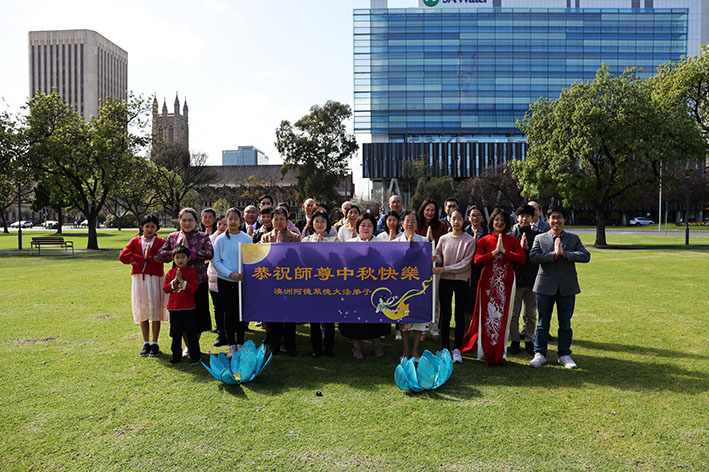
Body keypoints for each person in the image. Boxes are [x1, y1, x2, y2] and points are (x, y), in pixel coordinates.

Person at [461, 208, 526, 366]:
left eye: (503, 220)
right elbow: (477, 260)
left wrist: (505, 252)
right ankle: (485, 351)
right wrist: (493, 253)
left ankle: (500, 352)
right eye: (497, 220)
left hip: (506, 283)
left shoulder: (512, 240)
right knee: (488, 315)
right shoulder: (485, 240)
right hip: (488, 283)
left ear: (507, 223)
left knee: (503, 315)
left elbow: (522, 259)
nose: (499, 223)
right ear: (491, 221)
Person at [528, 207, 590, 369]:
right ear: (548, 220)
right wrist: (554, 255)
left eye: (560, 217)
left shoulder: (573, 238)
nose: (556, 221)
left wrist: (565, 254)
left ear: (565, 220)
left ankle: (564, 355)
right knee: (542, 322)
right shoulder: (540, 238)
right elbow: (533, 257)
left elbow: (585, 256)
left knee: (565, 323)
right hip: (544, 286)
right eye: (553, 218)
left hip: (567, 286)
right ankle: (540, 353)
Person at [158, 207, 214, 358]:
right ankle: (189, 347)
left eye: (190, 220)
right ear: (179, 221)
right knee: (182, 316)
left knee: (199, 315)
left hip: (198, 282)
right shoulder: (173, 237)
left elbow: (210, 253)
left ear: (196, 221)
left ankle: (194, 344)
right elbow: (161, 254)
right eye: (184, 220)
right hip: (178, 284)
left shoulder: (203, 237)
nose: (187, 223)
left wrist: (192, 254)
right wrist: (177, 254)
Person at [118, 214, 168, 357]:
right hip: (140, 279)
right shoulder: (135, 241)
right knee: (143, 308)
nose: (150, 229)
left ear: (156, 228)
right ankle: (146, 342)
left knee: (155, 309)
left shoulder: (160, 242)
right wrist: (142, 258)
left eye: (152, 226)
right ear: (142, 227)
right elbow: (123, 256)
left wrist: (151, 258)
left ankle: (155, 342)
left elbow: (165, 256)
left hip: (155, 279)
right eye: (147, 226)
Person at [340, 213, 390, 359]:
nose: (366, 228)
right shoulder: (350, 243)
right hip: (356, 287)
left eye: (369, 225)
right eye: (363, 225)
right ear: (357, 227)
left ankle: (377, 345)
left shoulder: (381, 243)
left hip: (375, 286)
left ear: (374, 227)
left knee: (377, 315)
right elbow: (345, 265)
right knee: (356, 316)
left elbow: (386, 264)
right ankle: (356, 347)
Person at [432, 207, 476, 364]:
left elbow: (465, 264)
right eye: (453, 218)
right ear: (448, 220)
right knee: (445, 314)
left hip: (461, 280)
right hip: (445, 280)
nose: (456, 221)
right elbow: (437, 256)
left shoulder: (470, 240)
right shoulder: (444, 239)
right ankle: (445, 348)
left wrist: (444, 268)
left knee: (459, 315)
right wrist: (431, 257)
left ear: (463, 221)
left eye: (459, 218)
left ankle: (457, 348)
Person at [261, 208, 301, 356]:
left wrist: (281, 247)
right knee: (273, 315)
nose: (279, 222)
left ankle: (290, 347)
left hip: (289, 281)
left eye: (281, 219)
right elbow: (263, 261)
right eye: (276, 219)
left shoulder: (295, 237)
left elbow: (297, 259)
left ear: (287, 220)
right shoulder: (265, 238)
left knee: (290, 316)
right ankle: (274, 346)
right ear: (271, 221)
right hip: (271, 283)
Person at [213, 208, 252, 359]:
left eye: (236, 219)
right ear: (226, 220)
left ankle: (240, 343)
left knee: (241, 313)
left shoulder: (246, 238)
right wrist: (230, 274)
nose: (233, 222)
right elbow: (217, 261)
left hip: (242, 282)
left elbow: (250, 258)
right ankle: (231, 345)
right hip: (225, 281)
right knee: (228, 314)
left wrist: (242, 275)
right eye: (230, 219)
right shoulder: (221, 239)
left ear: (240, 220)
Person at [301, 210, 338, 357]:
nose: (320, 224)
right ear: (312, 224)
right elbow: (304, 262)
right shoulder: (306, 241)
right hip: (313, 284)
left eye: (323, 221)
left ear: (327, 223)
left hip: (329, 284)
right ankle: (316, 349)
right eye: (317, 221)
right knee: (314, 319)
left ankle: (329, 348)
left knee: (329, 319)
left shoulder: (335, 240)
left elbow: (337, 262)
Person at [394, 211, 430, 360]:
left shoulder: (424, 241)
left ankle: (415, 350)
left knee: (418, 319)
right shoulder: (395, 243)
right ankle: (406, 349)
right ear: (402, 223)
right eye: (407, 221)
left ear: (417, 224)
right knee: (403, 318)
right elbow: (393, 264)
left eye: (413, 221)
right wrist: (407, 248)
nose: (409, 224)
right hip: (402, 286)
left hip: (418, 286)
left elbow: (427, 262)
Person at [509, 204, 539, 355]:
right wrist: (520, 250)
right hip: (516, 280)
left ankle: (529, 340)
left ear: (532, 217)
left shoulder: (537, 235)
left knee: (531, 314)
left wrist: (527, 249)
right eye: (521, 215)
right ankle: (514, 340)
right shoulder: (512, 235)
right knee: (514, 313)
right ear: (517, 217)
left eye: (527, 215)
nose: (524, 218)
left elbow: (537, 257)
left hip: (533, 280)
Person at [416, 198, 448, 342]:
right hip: (419, 268)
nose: (429, 213)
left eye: (432, 210)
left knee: (435, 299)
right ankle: (422, 328)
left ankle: (434, 329)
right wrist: (425, 240)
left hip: (435, 267)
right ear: (422, 210)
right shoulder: (417, 225)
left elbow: (443, 247)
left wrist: (432, 241)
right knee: (422, 298)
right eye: (427, 210)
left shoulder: (441, 226)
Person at [163, 246, 201, 365]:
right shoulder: (170, 273)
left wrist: (183, 282)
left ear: (188, 258)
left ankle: (195, 357)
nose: (180, 260)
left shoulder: (191, 272)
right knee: (175, 335)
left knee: (191, 334)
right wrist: (175, 281)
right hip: (174, 309)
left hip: (188, 308)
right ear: (173, 259)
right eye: (177, 257)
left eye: (183, 257)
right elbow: (165, 289)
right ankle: (176, 356)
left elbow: (193, 289)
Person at [463, 206, 488, 330]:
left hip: (482, 271)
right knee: (466, 304)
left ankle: (479, 331)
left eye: (478, 215)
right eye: (473, 215)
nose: (475, 218)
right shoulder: (464, 232)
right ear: (468, 218)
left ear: (482, 217)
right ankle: (467, 331)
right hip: (466, 271)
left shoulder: (487, 232)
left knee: (481, 303)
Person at [208, 214, 228, 347]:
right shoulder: (210, 239)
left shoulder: (233, 238)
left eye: (224, 224)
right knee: (218, 308)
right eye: (219, 224)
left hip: (229, 278)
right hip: (214, 277)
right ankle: (221, 334)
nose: (221, 227)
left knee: (229, 308)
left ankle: (230, 333)